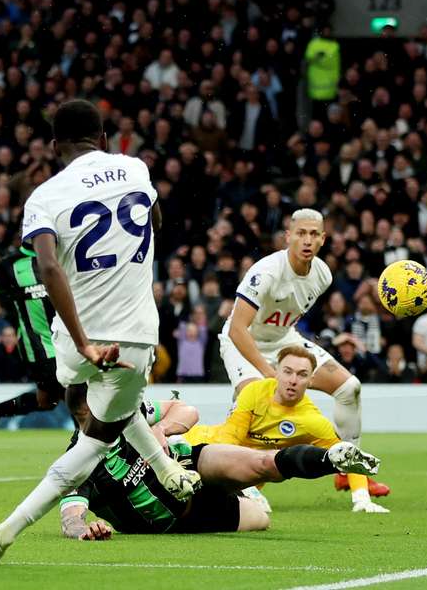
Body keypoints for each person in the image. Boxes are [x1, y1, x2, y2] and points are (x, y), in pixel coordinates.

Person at [0, 100, 197, 565]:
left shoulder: (45, 196)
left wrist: (79, 342)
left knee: (90, 405)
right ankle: (4, 533)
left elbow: (47, 266)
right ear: (105, 140)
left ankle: (166, 469)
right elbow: (155, 222)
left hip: (68, 337)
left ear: (56, 147)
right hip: (130, 336)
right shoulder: (135, 168)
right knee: (96, 439)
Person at [58, 377, 381, 538]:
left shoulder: (129, 412)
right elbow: (70, 518)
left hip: (190, 463)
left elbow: (187, 409)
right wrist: (87, 530)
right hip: (184, 517)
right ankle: (237, 491)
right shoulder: (77, 462)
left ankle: (332, 459)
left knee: (263, 463)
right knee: (260, 519)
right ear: (83, 416)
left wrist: (163, 430)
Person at [221, 208, 389, 497]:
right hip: (243, 340)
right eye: (301, 233)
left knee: (350, 388)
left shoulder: (322, 275)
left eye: (314, 234)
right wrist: (267, 371)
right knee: (253, 406)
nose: (307, 240)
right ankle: (236, 483)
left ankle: (349, 471)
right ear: (288, 237)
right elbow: (237, 328)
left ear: (323, 239)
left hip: (285, 339)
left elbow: (289, 317)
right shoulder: (266, 273)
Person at [185, 346, 389, 513]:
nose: (293, 380)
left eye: (302, 375)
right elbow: (229, 441)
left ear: (311, 381)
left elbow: (345, 455)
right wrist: (249, 491)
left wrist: (361, 498)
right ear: (276, 372)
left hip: (232, 477)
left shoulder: (312, 421)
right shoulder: (254, 392)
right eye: (287, 371)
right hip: (193, 446)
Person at [0, 244, 67, 440]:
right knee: (78, 398)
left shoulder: (64, 255)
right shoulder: (9, 265)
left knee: (46, 401)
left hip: (68, 342)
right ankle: (90, 456)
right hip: (38, 346)